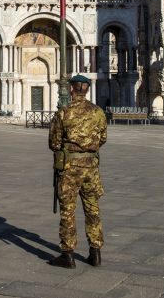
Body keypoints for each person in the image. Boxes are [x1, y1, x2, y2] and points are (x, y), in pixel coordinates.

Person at [48, 74, 107, 269]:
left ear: (72, 89)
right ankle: (95, 252)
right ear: (87, 89)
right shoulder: (98, 112)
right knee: (92, 209)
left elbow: (54, 143)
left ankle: (67, 254)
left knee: (68, 211)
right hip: (91, 167)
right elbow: (103, 138)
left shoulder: (64, 113)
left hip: (70, 168)